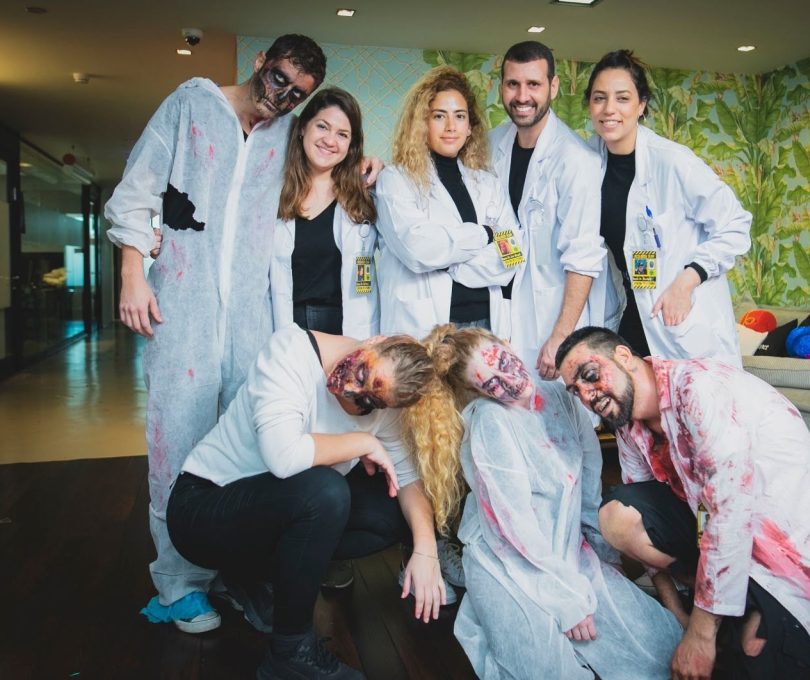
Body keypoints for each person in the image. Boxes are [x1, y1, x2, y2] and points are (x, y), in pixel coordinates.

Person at [105, 34, 328, 633]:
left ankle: (234, 568)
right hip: (184, 303)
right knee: (177, 439)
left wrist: (368, 165)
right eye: (279, 79)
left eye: (298, 94)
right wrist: (133, 273)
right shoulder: (192, 102)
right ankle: (179, 583)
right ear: (260, 62)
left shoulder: (284, 134)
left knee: (244, 443)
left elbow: (328, 163)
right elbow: (137, 190)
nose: (283, 98)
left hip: (250, 317)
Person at [556, 326, 810, 680]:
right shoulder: (630, 425)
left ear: (624, 357)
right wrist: (678, 616)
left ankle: (739, 615)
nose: (587, 395)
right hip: (717, 531)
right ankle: (724, 607)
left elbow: (730, 514)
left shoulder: (699, 390)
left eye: (590, 376)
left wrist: (700, 635)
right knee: (617, 515)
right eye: (576, 391)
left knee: (756, 650)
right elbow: (646, 511)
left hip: (793, 545)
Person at [166, 325, 458, 679]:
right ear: (376, 341)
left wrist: (425, 548)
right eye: (363, 372)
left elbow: (408, 477)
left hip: (268, 513)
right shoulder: (290, 351)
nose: (354, 391)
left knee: (392, 511)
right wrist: (363, 442)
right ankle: (290, 654)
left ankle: (256, 576)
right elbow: (283, 456)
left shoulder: (385, 400)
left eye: (372, 401)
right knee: (326, 491)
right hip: (202, 509)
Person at [424, 324, 682, 679]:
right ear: (477, 392)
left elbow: (589, 488)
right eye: (491, 383)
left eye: (502, 361)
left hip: (567, 546)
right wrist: (565, 599)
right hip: (507, 558)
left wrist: (606, 559)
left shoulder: (561, 396)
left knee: (654, 650)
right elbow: (513, 527)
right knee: (546, 668)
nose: (508, 380)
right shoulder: (490, 422)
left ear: (508, 345)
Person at [585, 50, 751, 366]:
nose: (609, 109)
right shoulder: (589, 161)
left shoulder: (673, 161)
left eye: (622, 98)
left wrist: (687, 280)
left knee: (688, 408)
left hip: (681, 315)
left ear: (641, 105)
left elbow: (736, 224)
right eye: (599, 98)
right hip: (632, 312)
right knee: (629, 408)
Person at [488, 41, 614, 379]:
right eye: (513, 83)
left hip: (550, 319)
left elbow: (583, 258)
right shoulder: (490, 145)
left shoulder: (576, 160)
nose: (522, 95)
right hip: (500, 311)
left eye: (534, 84)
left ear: (553, 87)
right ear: (501, 86)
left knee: (555, 422)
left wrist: (561, 336)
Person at [374, 66, 518, 341]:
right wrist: (486, 234)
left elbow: (512, 255)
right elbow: (418, 251)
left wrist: (449, 262)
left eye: (460, 116)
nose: (451, 126)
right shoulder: (395, 180)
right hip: (426, 328)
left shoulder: (488, 184)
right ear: (422, 123)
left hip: (486, 325)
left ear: (469, 127)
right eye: (439, 116)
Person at [272, 87, 379, 338]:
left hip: (348, 327)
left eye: (342, 134)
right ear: (302, 129)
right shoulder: (273, 193)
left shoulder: (366, 193)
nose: (330, 140)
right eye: (322, 127)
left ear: (351, 145)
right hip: (289, 325)